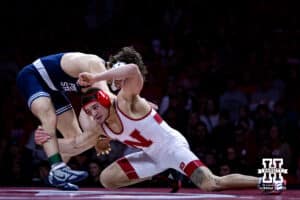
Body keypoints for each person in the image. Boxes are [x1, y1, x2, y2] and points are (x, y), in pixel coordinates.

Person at [37, 47, 286, 193]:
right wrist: (47, 142)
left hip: (171, 147)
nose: (93, 115)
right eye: (89, 112)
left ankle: (269, 180)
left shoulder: (127, 100)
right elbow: (75, 144)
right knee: (107, 180)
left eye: (94, 109)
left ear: (103, 98)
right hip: (151, 156)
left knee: (210, 183)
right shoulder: (99, 122)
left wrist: (96, 76)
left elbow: (133, 71)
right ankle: (167, 172)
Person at [16, 52, 111, 190]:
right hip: (33, 77)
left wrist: (99, 137)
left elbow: (88, 113)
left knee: (78, 141)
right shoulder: (94, 64)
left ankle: (56, 176)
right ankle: (57, 168)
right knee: (48, 116)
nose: (119, 85)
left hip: (54, 90)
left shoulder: (101, 83)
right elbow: (111, 102)